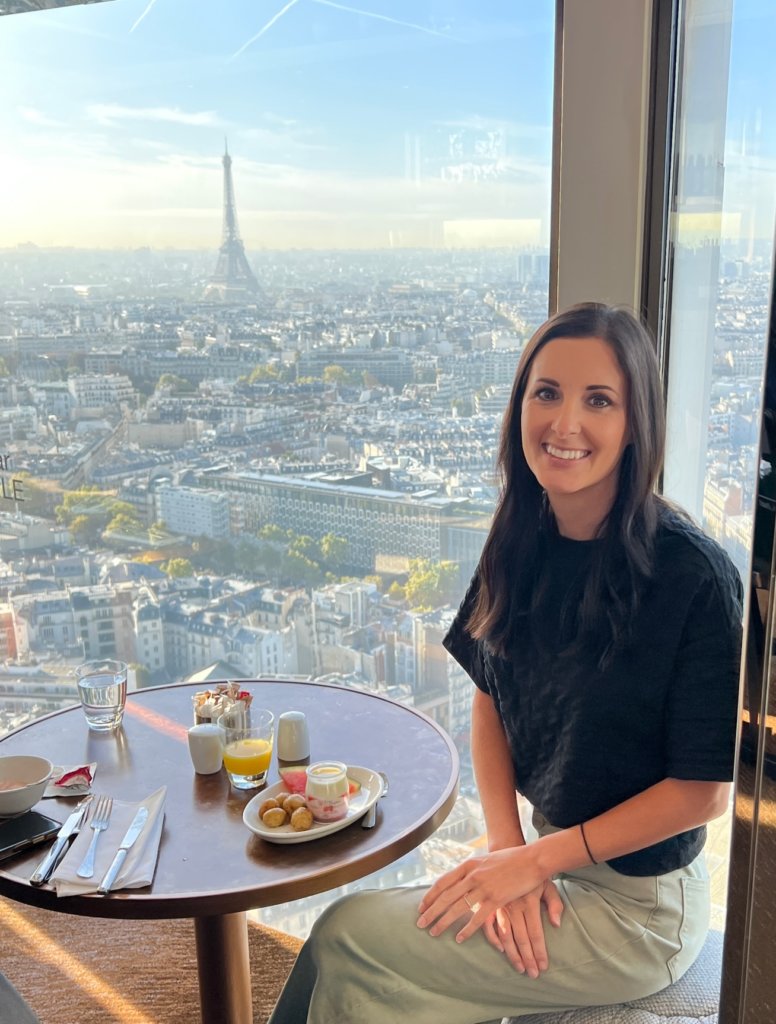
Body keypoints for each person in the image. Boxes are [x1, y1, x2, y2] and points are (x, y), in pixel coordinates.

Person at [268, 302, 743, 1024]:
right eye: (546, 392)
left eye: (600, 400)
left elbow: (702, 791)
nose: (565, 423)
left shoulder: (693, 577)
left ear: (636, 421)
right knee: (368, 970)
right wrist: (506, 846)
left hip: (639, 908)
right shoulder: (523, 533)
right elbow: (489, 692)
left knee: (351, 940)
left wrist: (535, 863)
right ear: (518, 403)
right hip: (549, 859)